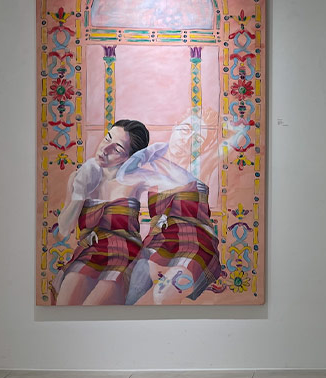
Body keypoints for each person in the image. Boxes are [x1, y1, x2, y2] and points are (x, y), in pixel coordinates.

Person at [120, 112, 222, 305]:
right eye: (185, 130)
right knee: (136, 286)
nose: (187, 140)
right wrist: (150, 153)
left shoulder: (200, 167)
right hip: (160, 241)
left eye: (197, 139)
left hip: (196, 243)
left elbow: (233, 141)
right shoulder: (150, 165)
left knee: (164, 294)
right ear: (175, 125)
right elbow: (123, 176)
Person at [53, 119, 150, 305]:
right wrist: (80, 193)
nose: (105, 149)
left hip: (125, 254)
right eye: (107, 138)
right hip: (90, 253)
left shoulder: (138, 181)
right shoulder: (80, 177)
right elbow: (64, 230)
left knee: (95, 303)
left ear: (130, 159)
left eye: (117, 149)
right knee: (67, 299)